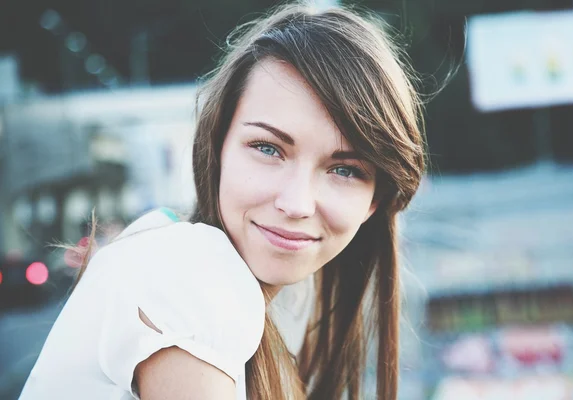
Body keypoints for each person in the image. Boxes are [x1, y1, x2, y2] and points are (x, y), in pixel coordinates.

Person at [20, 2, 425, 399]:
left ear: (375, 200)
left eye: (345, 170)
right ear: (217, 150)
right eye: (268, 148)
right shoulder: (188, 275)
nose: (297, 203)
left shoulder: (237, 282)